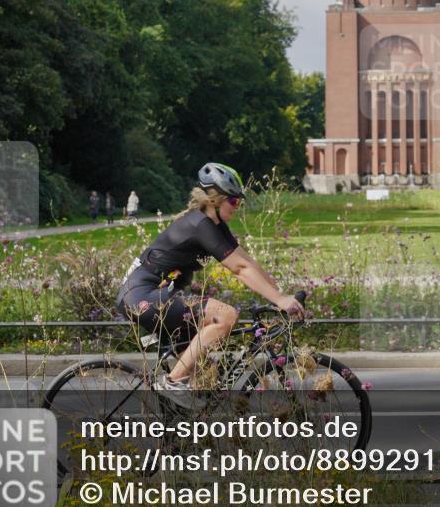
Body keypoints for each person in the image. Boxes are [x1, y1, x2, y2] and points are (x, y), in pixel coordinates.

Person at [116, 163, 304, 404]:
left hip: (156, 298)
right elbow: (239, 269)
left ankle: (179, 434)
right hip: (142, 296)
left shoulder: (215, 226)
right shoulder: (200, 224)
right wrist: (279, 300)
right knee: (225, 315)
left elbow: (248, 262)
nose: (238, 207)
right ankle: (171, 382)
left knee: (207, 377)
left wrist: (280, 296)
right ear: (216, 199)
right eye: (234, 201)